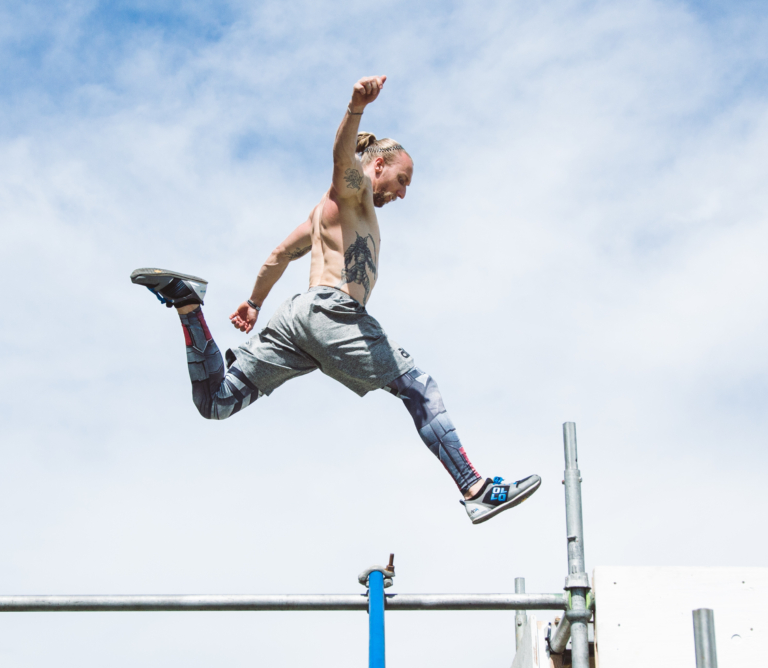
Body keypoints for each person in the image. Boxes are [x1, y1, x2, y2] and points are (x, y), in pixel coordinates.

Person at [131, 75, 540, 524]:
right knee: (419, 388)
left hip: (296, 319)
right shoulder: (355, 190)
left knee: (218, 401)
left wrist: (253, 303)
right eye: (402, 180)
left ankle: (188, 306)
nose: (402, 193)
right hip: (333, 311)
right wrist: (355, 107)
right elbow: (342, 158)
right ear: (378, 165)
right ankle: (475, 488)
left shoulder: (321, 212)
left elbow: (279, 255)